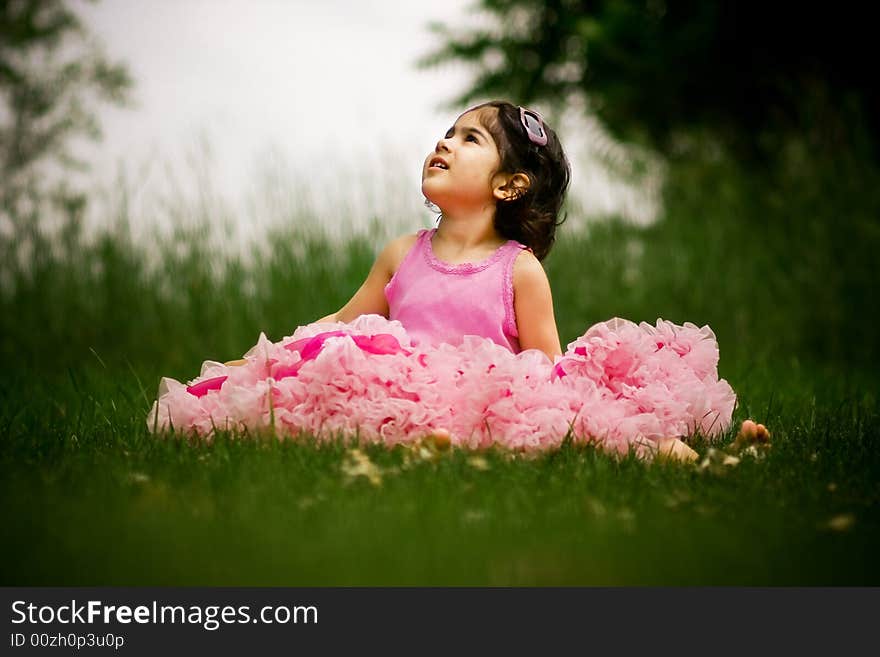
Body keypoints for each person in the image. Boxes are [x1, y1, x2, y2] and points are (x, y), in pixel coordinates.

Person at [149, 101, 738, 459]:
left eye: (469, 139)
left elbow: (550, 372)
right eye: (447, 134)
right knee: (320, 382)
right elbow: (341, 322)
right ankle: (417, 444)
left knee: (585, 420)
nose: (444, 143)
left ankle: (673, 453)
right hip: (399, 398)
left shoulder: (519, 270)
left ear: (509, 185)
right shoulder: (402, 254)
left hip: (484, 401)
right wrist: (267, 358)